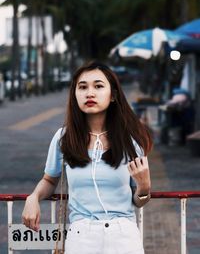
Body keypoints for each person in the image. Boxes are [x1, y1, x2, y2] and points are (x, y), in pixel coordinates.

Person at [22, 61, 153, 254]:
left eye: (98, 86)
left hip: (123, 236)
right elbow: (50, 180)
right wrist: (33, 198)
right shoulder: (63, 138)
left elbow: (139, 200)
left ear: (113, 95)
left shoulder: (129, 142)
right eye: (82, 87)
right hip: (81, 236)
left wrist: (144, 187)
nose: (89, 93)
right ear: (75, 95)